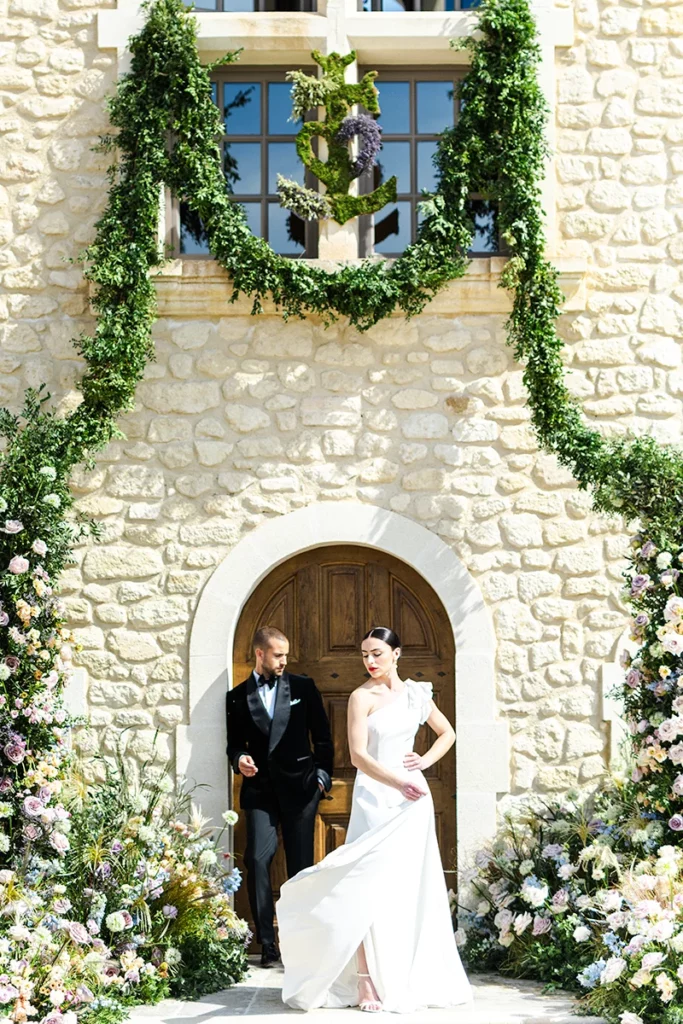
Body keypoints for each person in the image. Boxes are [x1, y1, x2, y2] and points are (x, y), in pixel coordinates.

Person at [276, 626, 472, 1013]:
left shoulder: (417, 693)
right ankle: (365, 984)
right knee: (362, 887)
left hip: (411, 802)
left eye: (378, 653)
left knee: (410, 888)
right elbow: (358, 756)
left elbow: (447, 733)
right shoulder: (359, 697)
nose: (370, 661)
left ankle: (409, 974)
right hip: (376, 798)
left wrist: (424, 763)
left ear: (397, 654)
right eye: (365, 654)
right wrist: (398, 779)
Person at [226, 625, 334, 968]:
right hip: (260, 791)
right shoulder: (236, 697)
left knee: (301, 869)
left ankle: (300, 943)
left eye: (286, 654)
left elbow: (323, 738)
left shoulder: (304, 687)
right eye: (277, 654)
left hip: (302, 790)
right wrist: (238, 760)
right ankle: (267, 942)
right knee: (257, 861)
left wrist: (321, 779)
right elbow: (233, 745)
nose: (284, 660)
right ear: (260, 654)